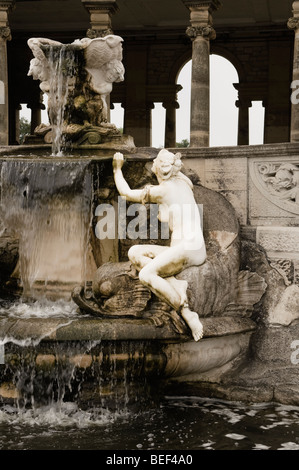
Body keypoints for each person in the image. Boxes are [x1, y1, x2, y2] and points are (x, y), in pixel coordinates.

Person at [113, 149, 207, 341]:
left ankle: (186, 311)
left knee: (146, 274)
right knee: (135, 253)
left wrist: (117, 169)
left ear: (159, 168)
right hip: (184, 248)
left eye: (155, 163)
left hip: (189, 248)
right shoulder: (183, 183)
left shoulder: (164, 190)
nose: (152, 165)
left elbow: (125, 193)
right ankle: (174, 284)